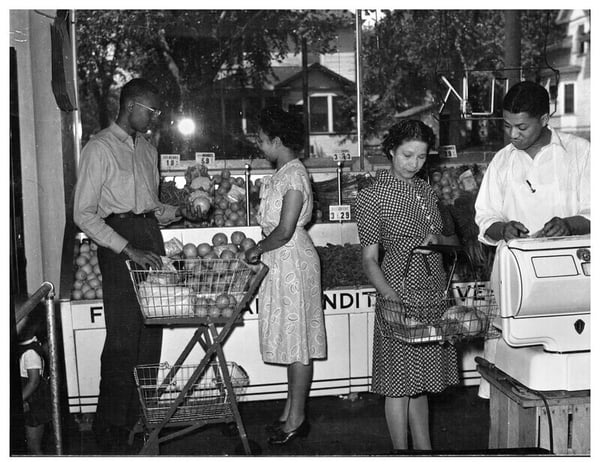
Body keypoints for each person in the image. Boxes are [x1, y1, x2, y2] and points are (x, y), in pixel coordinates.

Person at [73, 78, 185, 451]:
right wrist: (127, 249)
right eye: (150, 110)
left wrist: (180, 211)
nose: (154, 117)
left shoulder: (147, 150)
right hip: (119, 245)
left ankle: (143, 423)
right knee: (122, 340)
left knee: (150, 336)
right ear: (131, 105)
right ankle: (110, 431)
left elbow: (150, 207)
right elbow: (84, 216)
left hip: (149, 237)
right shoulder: (98, 148)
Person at [474, 80, 590, 398]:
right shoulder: (503, 161)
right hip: (514, 277)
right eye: (508, 126)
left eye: (521, 126)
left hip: (570, 276)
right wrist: (503, 228)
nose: (513, 135)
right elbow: (485, 217)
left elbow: (594, 211)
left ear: (545, 118)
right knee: (508, 372)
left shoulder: (580, 153)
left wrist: (569, 224)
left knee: (565, 369)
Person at [355, 120, 460, 450]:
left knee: (421, 381)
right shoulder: (372, 197)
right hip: (398, 287)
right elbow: (369, 259)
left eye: (421, 157)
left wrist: (438, 238)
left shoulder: (427, 192)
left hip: (432, 288)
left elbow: (451, 240)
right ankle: (401, 454)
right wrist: (389, 296)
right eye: (407, 155)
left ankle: (426, 452)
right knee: (398, 382)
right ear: (390, 151)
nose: (414, 164)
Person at [245, 106, 326, 445]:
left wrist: (257, 248)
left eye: (263, 141)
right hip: (282, 262)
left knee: (298, 345)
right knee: (292, 342)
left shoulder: (293, 176)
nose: (260, 146)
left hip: (291, 260)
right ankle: (289, 412)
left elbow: (285, 229)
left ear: (277, 141)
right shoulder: (284, 173)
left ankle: (297, 418)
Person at [17, 325, 51, 455]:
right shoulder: (24, 347)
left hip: (34, 401)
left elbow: (34, 381)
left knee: (33, 446)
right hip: (29, 398)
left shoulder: (30, 352)